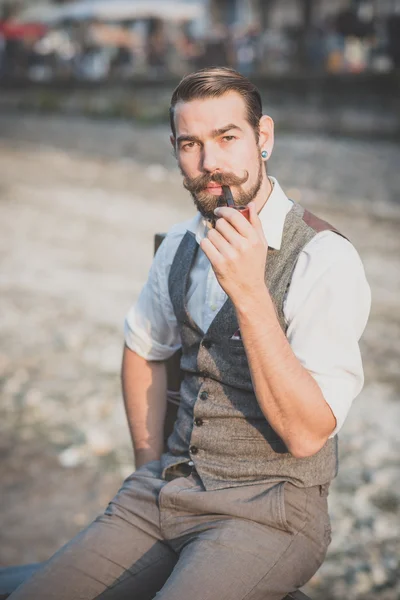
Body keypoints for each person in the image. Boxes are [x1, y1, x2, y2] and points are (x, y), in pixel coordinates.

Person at [7, 67, 371, 600]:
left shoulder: (325, 258)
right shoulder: (180, 243)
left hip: (268, 512)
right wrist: (150, 465)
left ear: (262, 138)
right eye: (190, 144)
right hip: (163, 493)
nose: (210, 164)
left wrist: (249, 293)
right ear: (175, 150)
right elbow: (143, 345)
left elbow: (307, 433)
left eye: (227, 138)